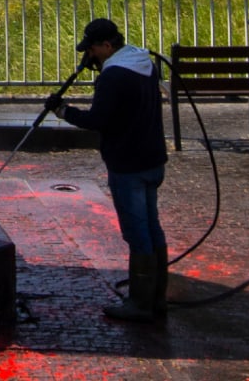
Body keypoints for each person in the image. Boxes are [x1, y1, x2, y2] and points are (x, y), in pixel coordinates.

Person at [45, 17, 168, 322]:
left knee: (137, 233)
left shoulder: (113, 76)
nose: (90, 57)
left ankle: (140, 304)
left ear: (107, 46)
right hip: (153, 159)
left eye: (92, 50)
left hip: (128, 164)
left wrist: (63, 111)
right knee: (152, 228)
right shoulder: (145, 64)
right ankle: (157, 297)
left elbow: (97, 120)